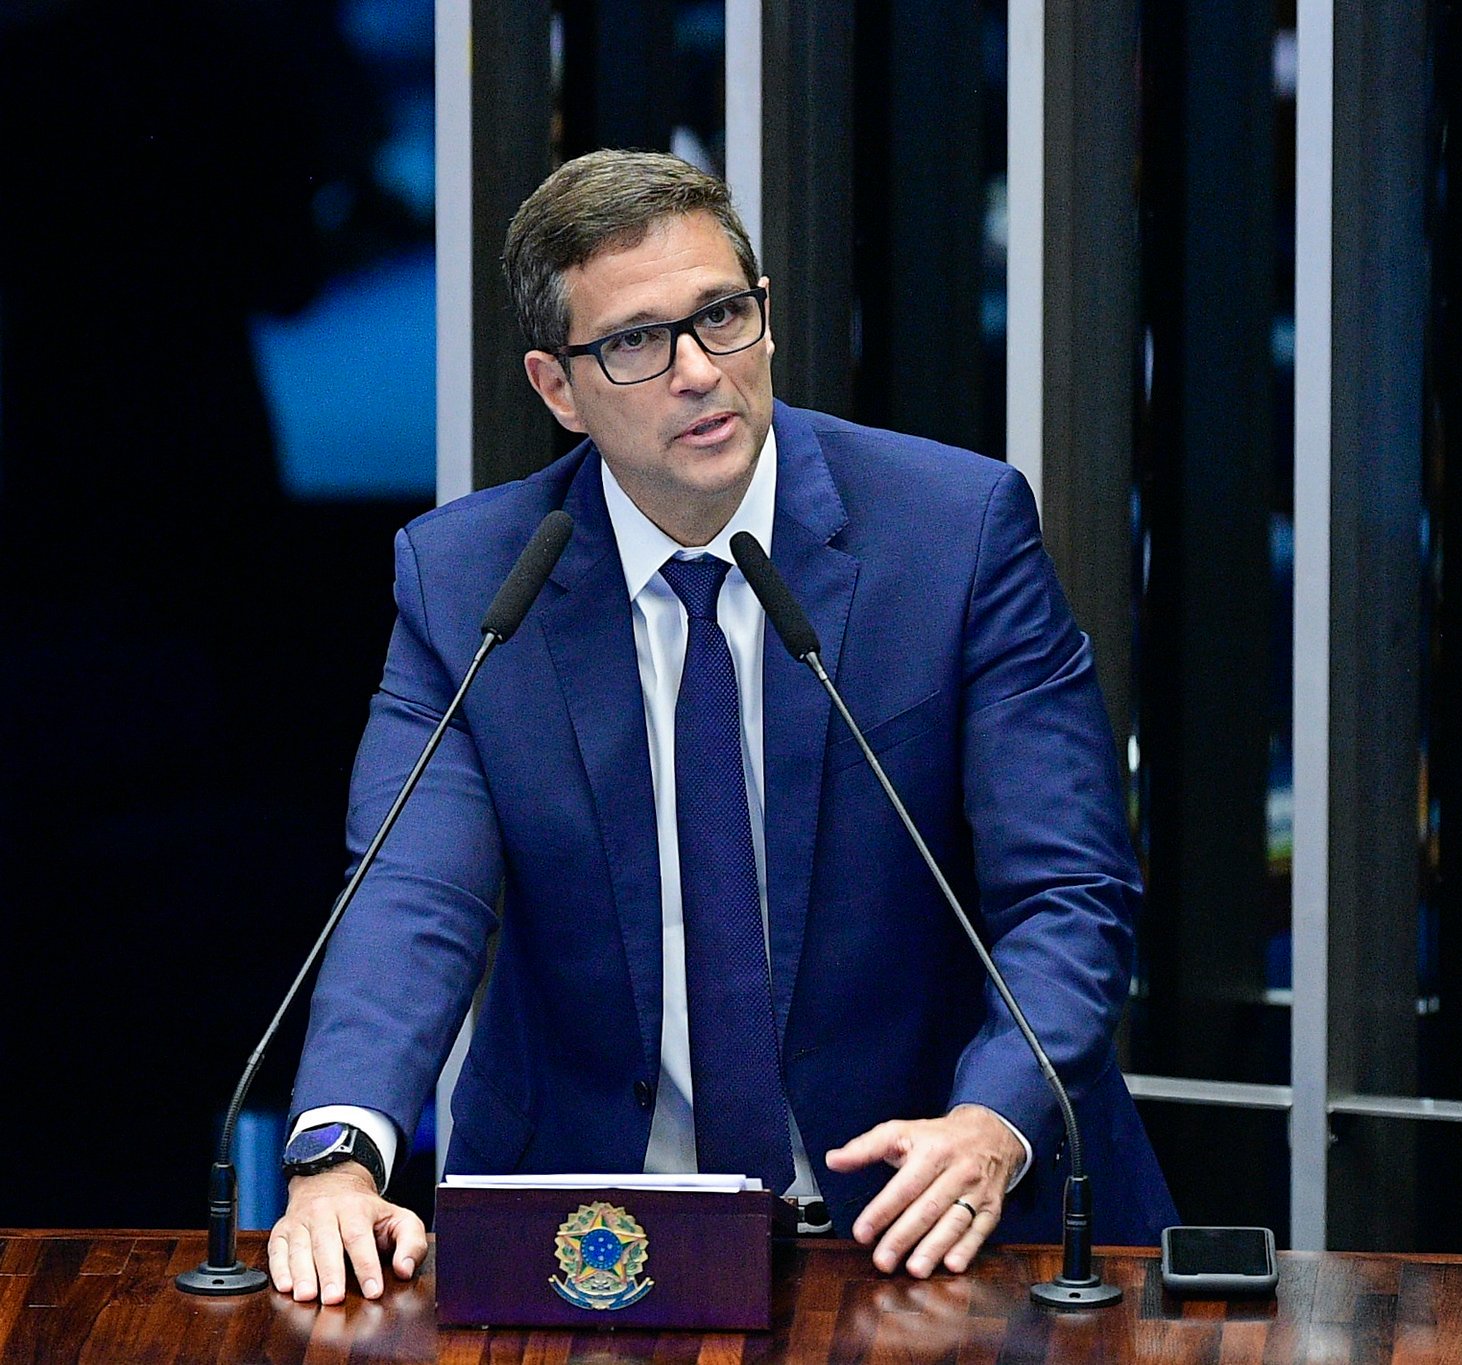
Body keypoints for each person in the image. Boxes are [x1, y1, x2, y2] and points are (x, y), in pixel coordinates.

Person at [268, 150, 1175, 1306]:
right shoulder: (469, 584)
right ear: (557, 388)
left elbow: (1068, 890)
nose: (699, 372)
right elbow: (410, 895)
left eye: (723, 316)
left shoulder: (953, 535)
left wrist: (989, 1118)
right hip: (595, 1248)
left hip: (945, 1221)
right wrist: (340, 1157)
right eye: (637, 342)